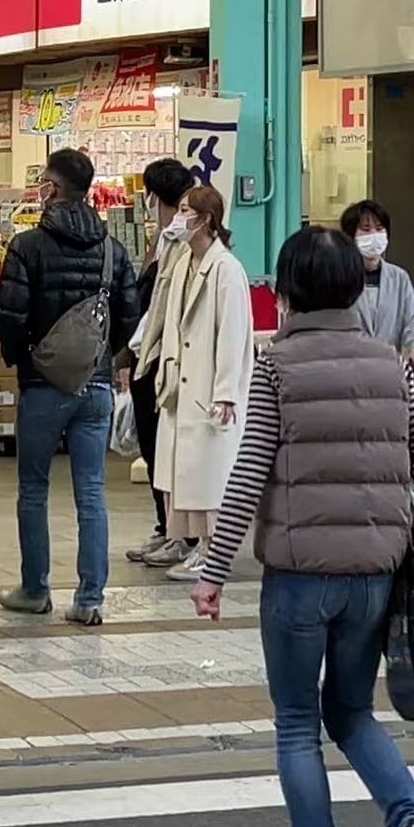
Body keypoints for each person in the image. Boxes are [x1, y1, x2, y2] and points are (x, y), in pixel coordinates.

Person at [184, 225, 414, 827]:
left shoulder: (277, 367)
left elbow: (248, 475)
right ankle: (409, 825)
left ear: (290, 290)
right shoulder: (389, 364)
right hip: (374, 575)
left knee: (298, 722)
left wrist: (213, 569)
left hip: (301, 578)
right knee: (354, 712)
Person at [0, 147, 128, 623]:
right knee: (91, 492)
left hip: (43, 385)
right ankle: (90, 599)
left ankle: (35, 589)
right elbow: (127, 318)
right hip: (94, 386)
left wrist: (24, 361)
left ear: (52, 188)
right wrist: (102, 360)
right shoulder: (114, 249)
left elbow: (10, 316)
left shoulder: (27, 246)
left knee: (34, 488)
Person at [127, 181, 252, 575]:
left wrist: (227, 392)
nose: (179, 219)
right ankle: (184, 540)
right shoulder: (181, 262)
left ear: (207, 220)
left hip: (209, 387)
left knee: (209, 473)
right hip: (178, 384)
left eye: (186, 211)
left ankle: (214, 548)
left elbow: (234, 335)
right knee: (178, 470)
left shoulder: (227, 270)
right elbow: (163, 317)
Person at [122, 159, 194, 566]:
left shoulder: (182, 244)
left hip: (165, 362)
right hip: (148, 357)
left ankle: (180, 534)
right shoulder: (163, 239)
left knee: (167, 451)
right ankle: (165, 526)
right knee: (154, 449)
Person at [343, 200, 414, 374]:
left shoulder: (399, 278)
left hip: (388, 374)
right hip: (349, 374)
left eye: (380, 228)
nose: (374, 235)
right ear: (350, 236)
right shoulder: (338, 277)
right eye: (366, 229)